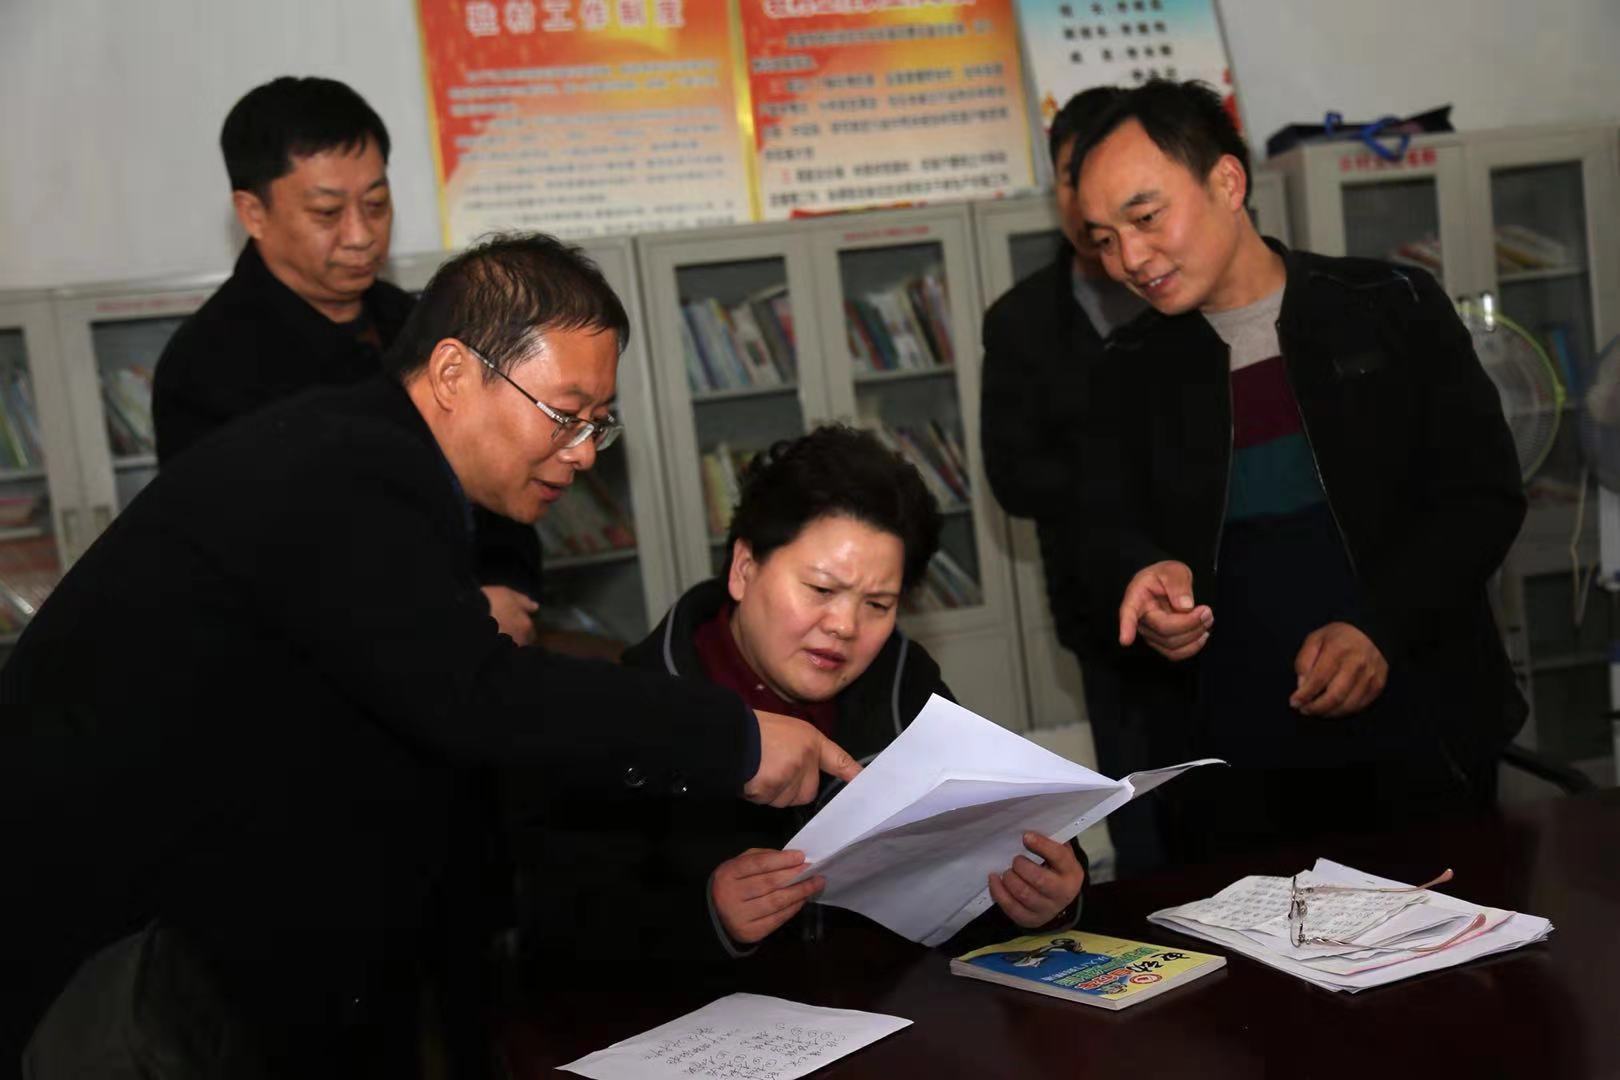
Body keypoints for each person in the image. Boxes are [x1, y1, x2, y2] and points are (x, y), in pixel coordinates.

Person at [0, 234, 860, 1077]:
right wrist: (733, 737)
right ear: (453, 374)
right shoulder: (353, 473)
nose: (583, 453)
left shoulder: (374, 456)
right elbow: (478, 693)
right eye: (565, 414)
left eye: (599, 424)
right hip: (110, 936)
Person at [1067, 80, 1527, 860]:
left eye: (1145, 218)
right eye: (1104, 239)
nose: (1129, 260)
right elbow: (1099, 532)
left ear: (1227, 182)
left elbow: (1482, 497)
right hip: (1232, 776)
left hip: (1423, 741)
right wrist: (1141, 578)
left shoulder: (1390, 305)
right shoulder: (1126, 370)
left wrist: (1380, 626)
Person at [520, 426, 1085, 975]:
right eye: (820, 589)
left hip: (891, 1008)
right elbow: (559, 931)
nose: (844, 626)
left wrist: (1050, 892)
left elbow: (1003, 830)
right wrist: (708, 914)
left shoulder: (901, 681)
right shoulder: (642, 700)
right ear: (744, 569)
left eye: (878, 604)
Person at [151, 75, 541, 643]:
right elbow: (256, 563)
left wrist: (508, 590)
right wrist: (455, 613)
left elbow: (496, 479)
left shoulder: (419, 323)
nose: (361, 235)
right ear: (253, 213)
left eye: (376, 204)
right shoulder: (208, 366)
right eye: (327, 213)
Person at [979, 86, 1165, 875]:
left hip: (1218, 597)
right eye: (1068, 175)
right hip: (1101, 614)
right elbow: (1013, 477)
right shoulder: (1021, 319)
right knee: (1140, 820)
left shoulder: (1179, 286)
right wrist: (1119, 472)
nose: (1083, 195)